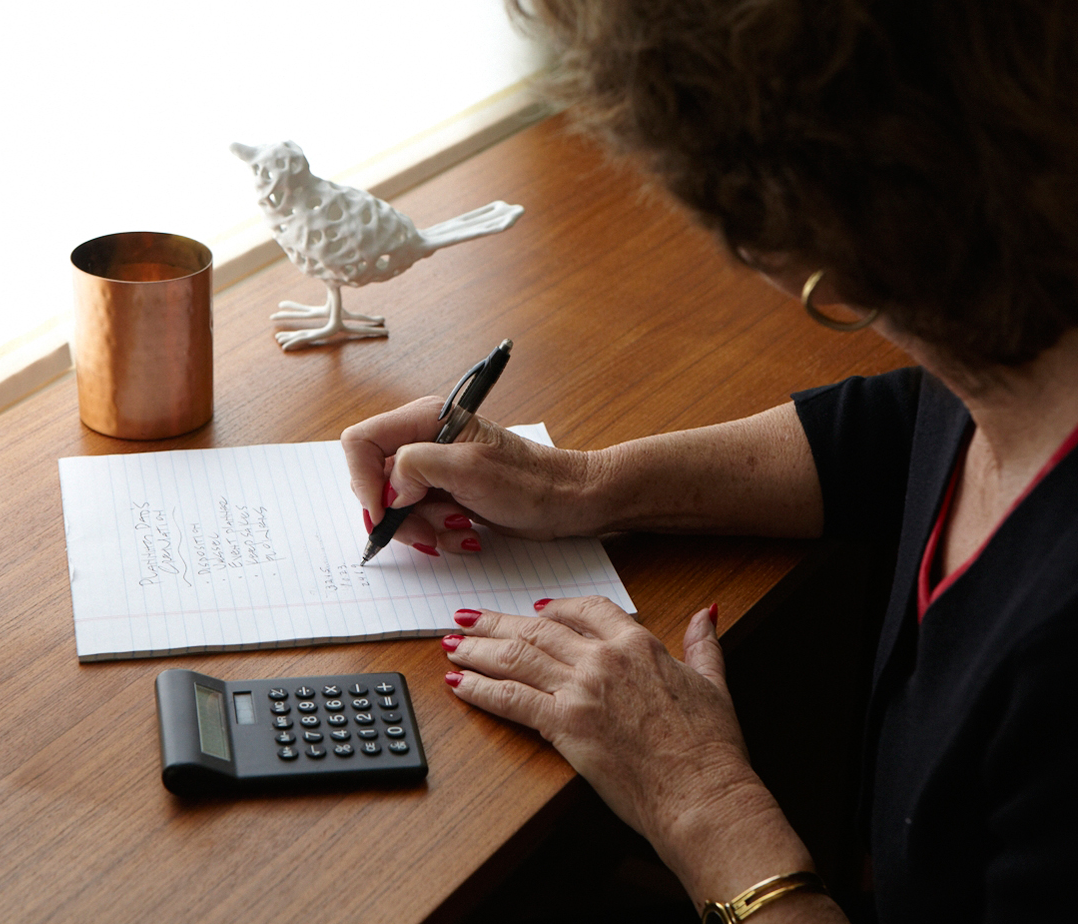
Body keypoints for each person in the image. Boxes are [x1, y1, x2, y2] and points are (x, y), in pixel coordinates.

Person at [340, 1, 1078, 921]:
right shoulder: (1014, 333)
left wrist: (703, 801)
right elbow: (907, 429)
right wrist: (583, 483)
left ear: (798, 238)